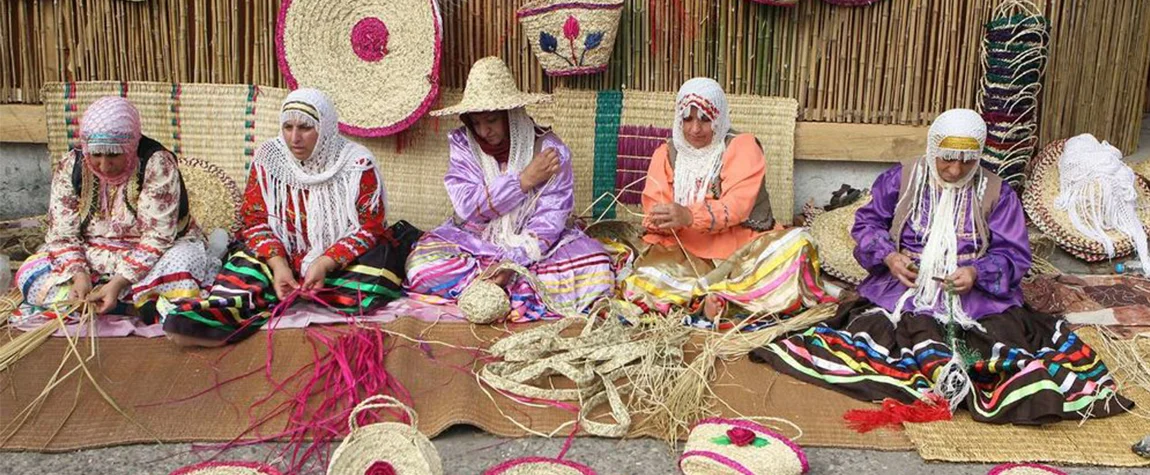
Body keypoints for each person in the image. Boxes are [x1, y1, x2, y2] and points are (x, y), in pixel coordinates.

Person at [752, 109, 1130, 424]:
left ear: (979, 155)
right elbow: (866, 224)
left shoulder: (996, 193)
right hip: (906, 287)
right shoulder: (902, 179)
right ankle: (937, 375)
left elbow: (1015, 254)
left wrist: (977, 273)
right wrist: (889, 256)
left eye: (967, 160)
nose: (954, 169)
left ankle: (956, 375)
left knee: (999, 343)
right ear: (933, 148)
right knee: (883, 332)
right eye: (947, 157)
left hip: (972, 297)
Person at [164, 88, 410, 346]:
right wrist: (278, 264)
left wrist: (325, 262)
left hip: (338, 261)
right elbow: (255, 219)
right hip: (283, 254)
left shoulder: (356, 163)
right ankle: (217, 317)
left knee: (377, 274)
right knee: (243, 265)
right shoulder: (270, 158)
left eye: (305, 127)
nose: (295, 138)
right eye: (287, 127)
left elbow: (370, 227)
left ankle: (272, 296)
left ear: (324, 127)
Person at [404, 57, 614, 321]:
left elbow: (550, 219)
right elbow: (469, 207)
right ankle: (515, 293)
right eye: (476, 122)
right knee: (420, 265)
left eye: (491, 120)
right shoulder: (463, 143)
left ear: (511, 114)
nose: (483, 131)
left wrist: (513, 264)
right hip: (475, 241)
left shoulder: (549, 150)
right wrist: (522, 181)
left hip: (536, 247)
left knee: (596, 269)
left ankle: (496, 289)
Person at [622, 78, 831, 328]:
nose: (695, 129)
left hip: (742, 247)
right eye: (687, 119)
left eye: (705, 119)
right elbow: (653, 211)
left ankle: (713, 300)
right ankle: (720, 302)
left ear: (719, 118)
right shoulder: (666, 153)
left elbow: (736, 207)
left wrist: (689, 216)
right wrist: (663, 220)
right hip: (685, 250)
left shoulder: (742, 146)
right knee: (645, 280)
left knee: (798, 244)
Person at [14, 96, 212, 324]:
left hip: (153, 253)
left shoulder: (156, 163)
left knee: (182, 265)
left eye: (114, 155)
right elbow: (62, 234)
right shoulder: (71, 165)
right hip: (92, 253)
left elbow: (158, 237)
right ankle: (133, 305)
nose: (104, 165)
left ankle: (109, 301)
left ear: (131, 146)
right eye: (96, 155)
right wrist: (79, 274)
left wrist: (118, 282)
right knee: (30, 272)